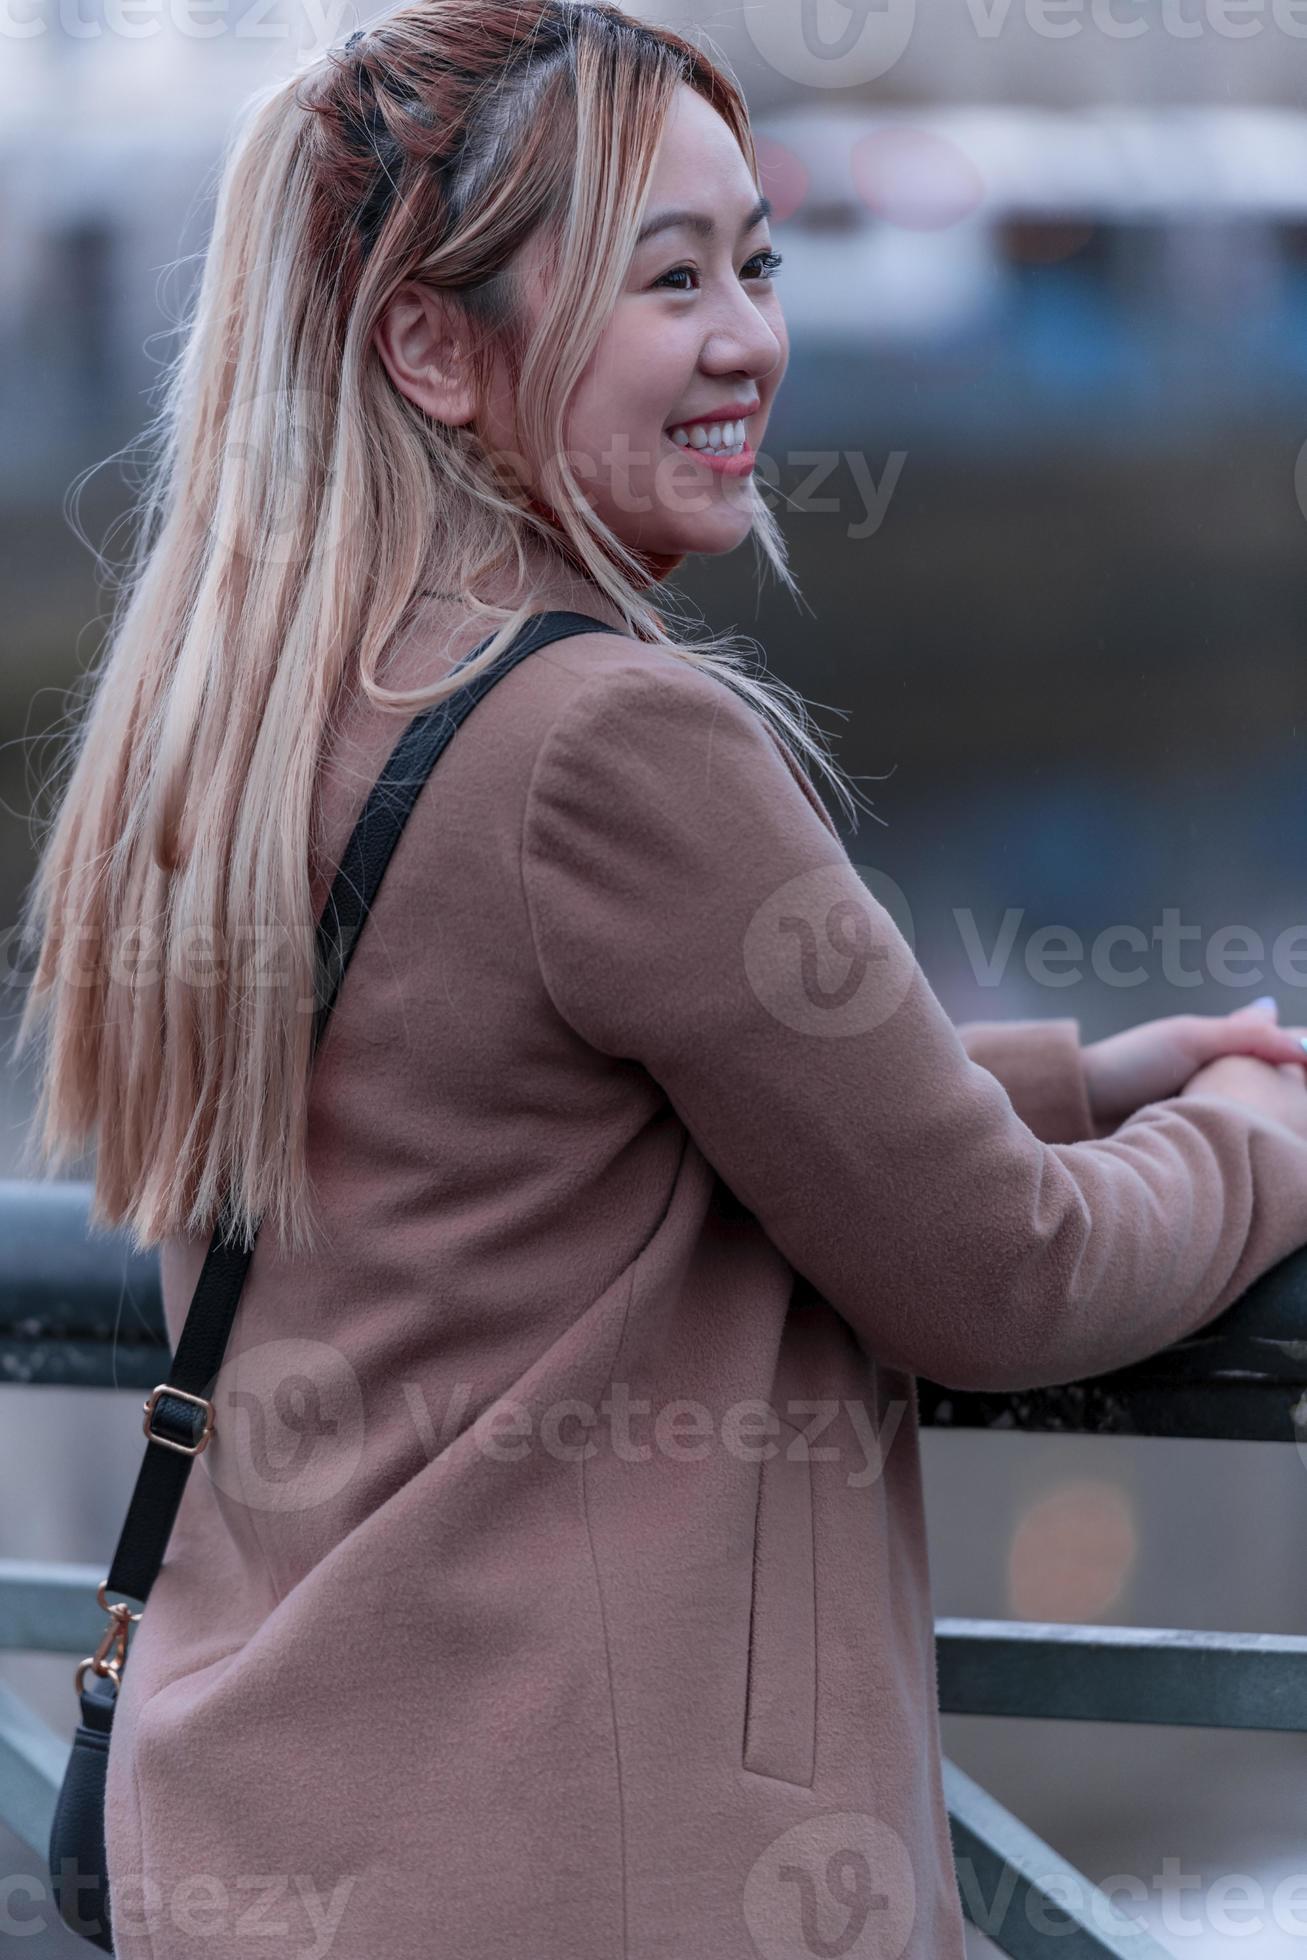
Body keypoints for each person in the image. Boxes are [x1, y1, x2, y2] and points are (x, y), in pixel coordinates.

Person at [13, 4, 1307, 1955]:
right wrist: (1253, 1133)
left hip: (271, 1837)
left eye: (757, 261)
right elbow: (1007, 1270)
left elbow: (532, 1146)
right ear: (433, 350)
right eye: (668, 276)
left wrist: (1080, 1071)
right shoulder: (604, 742)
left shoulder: (250, 722)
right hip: (594, 1877)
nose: (749, 340)